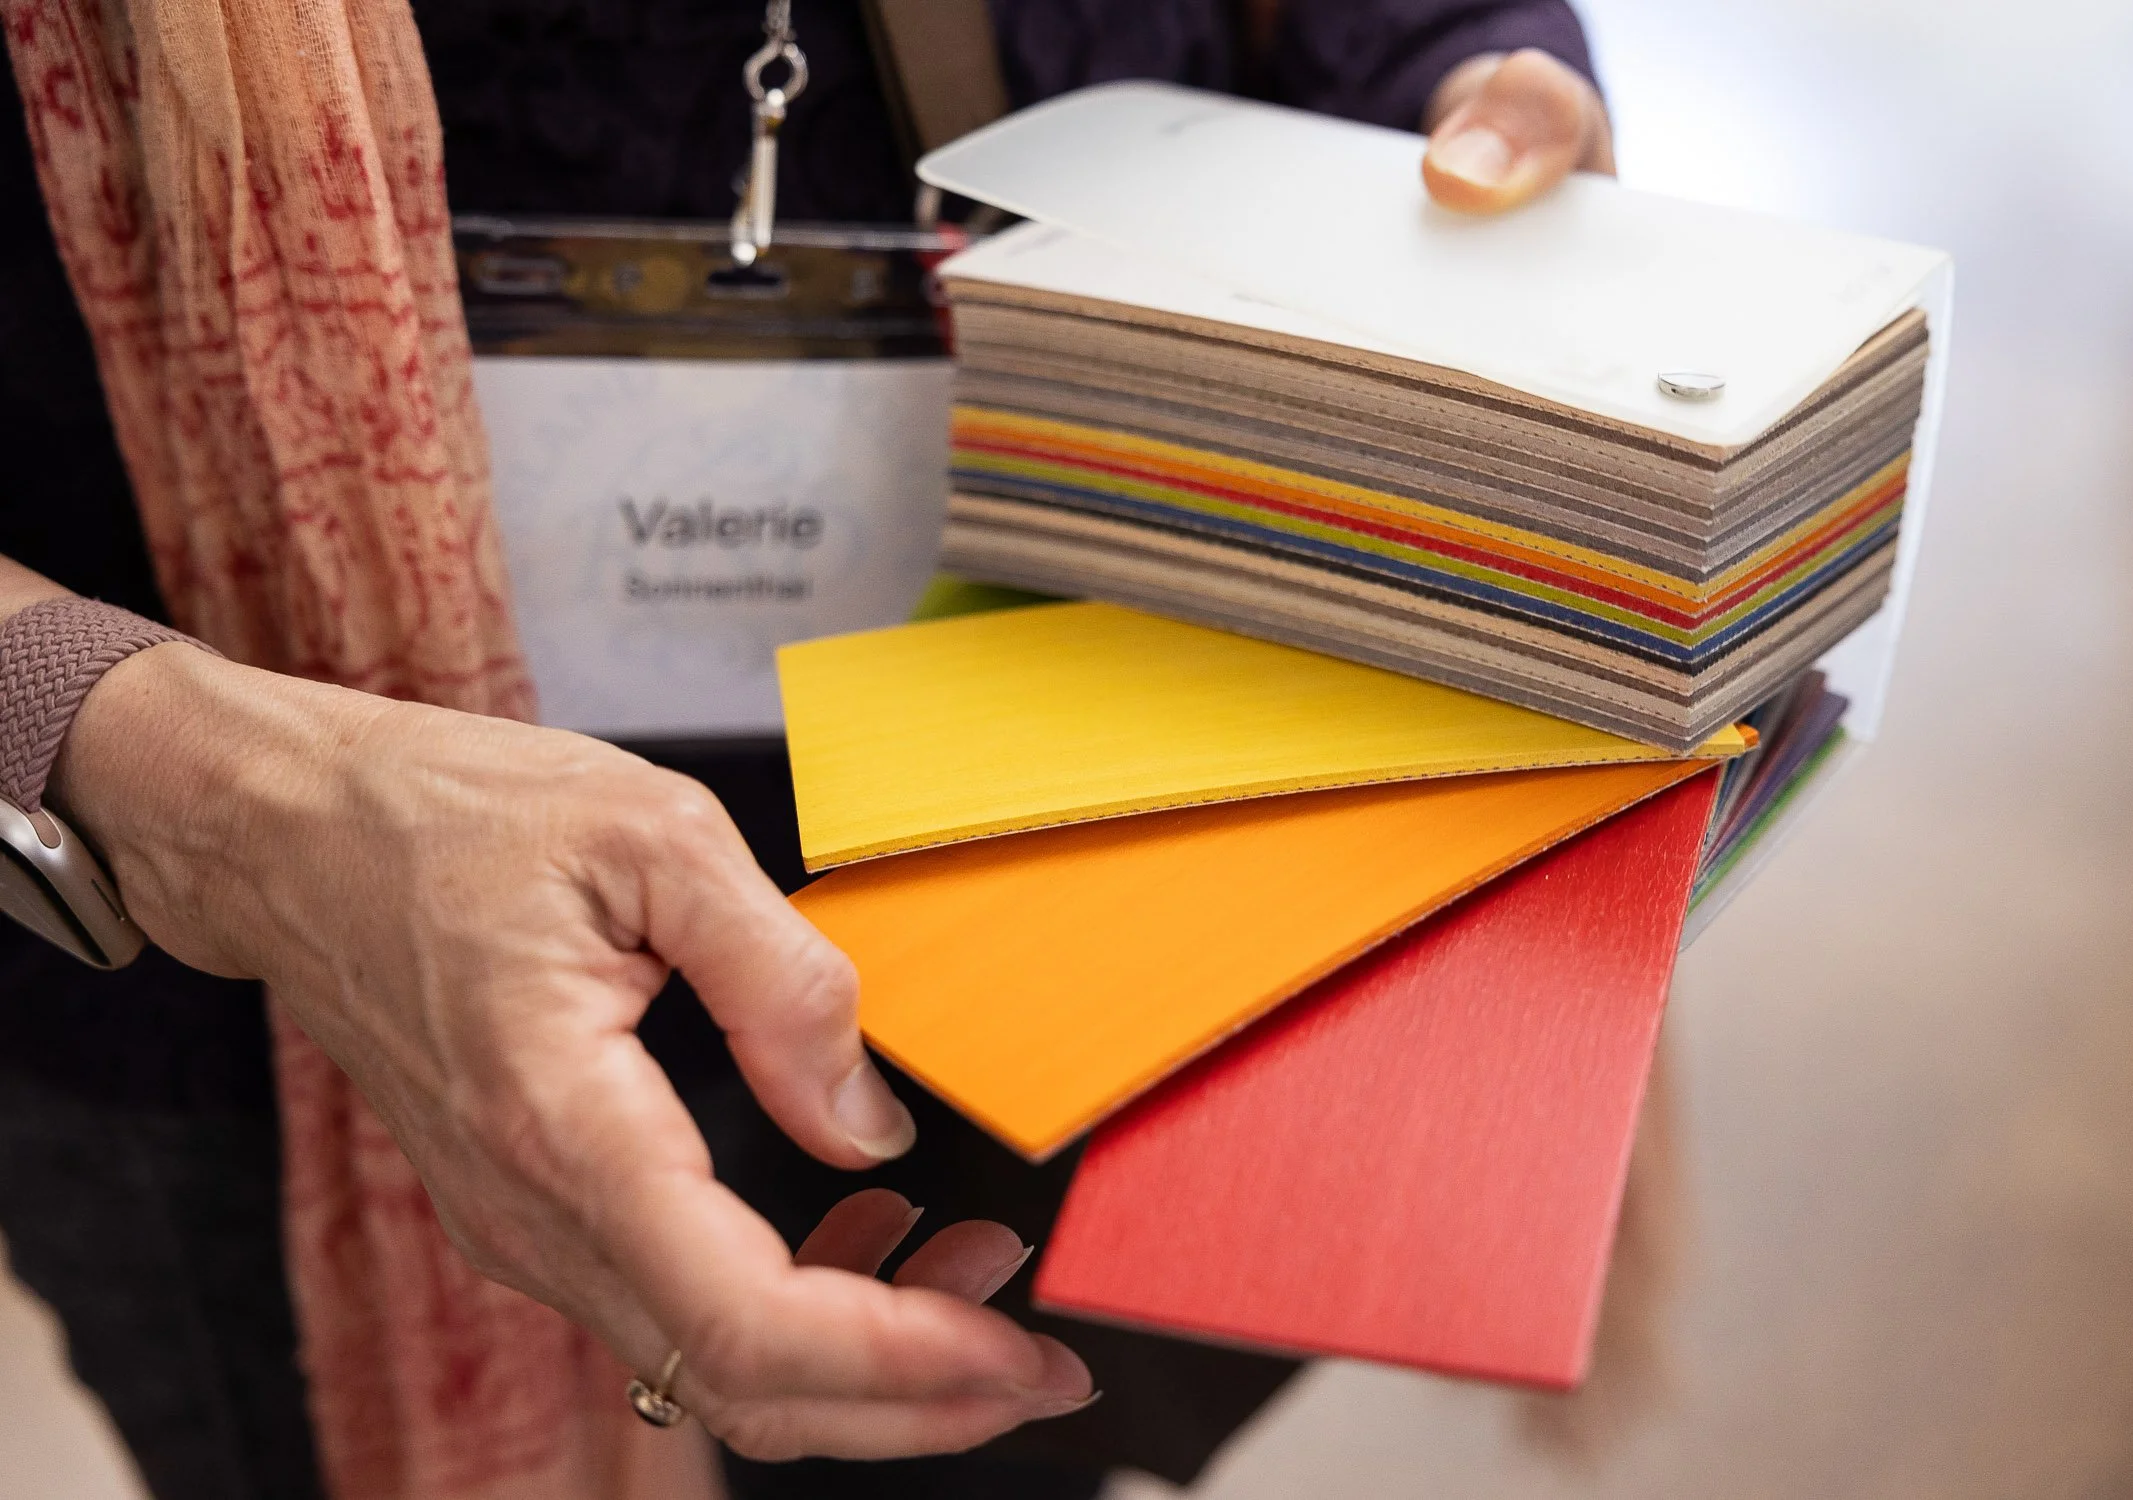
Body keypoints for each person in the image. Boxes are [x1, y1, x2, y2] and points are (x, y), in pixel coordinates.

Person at [0, 3, 1613, 1497]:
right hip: (229, 1004)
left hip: (1095, 814)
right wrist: (233, 804)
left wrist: (1448, 67)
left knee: (997, 1421)